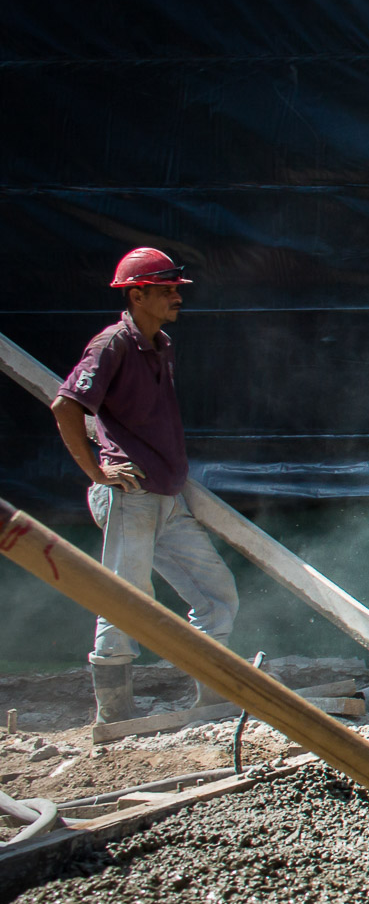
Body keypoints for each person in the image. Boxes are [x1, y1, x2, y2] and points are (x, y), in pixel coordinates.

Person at [51, 248, 239, 724]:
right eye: (166, 289)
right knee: (125, 601)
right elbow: (65, 406)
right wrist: (97, 473)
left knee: (216, 593)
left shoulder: (160, 343)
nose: (177, 296)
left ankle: (213, 692)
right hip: (130, 494)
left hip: (164, 496)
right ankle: (115, 714)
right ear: (137, 294)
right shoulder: (111, 344)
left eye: (176, 288)